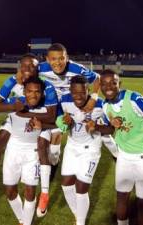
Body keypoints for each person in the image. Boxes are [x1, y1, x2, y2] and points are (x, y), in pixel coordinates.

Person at [35, 43, 118, 217]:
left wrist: (93, 98)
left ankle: (117, 154)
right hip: (59, 105)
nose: (58, 63)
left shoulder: (76, 69)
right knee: (53, 133)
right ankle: (51, 171)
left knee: (96, 127)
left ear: (67, 57)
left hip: (79, 101)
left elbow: (97, 79)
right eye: (53, 59)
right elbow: (25, 78)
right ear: (47, 59)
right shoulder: (40, 68)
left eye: (61, 58)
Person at [0, 54, 58, 204]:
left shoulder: (46, 86)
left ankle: (44, 193)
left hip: (39, 120)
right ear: (20, 67)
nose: (27, 69)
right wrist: (14, 108)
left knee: (43, 148)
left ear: (38, 69)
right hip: (16, 119)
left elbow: (52, 116)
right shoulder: (12, 81)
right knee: (0, 141)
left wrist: (24, 113)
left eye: (32, 66)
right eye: (24, 66)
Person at [100, 69, 143, 225]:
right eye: (104, 84)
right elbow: (110, 129)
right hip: (124, 157)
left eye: (113, 82)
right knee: (121, 197)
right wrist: (95, 127)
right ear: (100, 86)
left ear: (120, 84)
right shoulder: (105, 106)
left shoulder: (134, 98)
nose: (109, 87)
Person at [56, 76, 114, 225]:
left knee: (81, 188)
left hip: (91, 149)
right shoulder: (64, 101)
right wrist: (65, 122)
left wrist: (97, 127)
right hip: (72, 146)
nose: (79, 96)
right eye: (75, 93)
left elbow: (111, 128)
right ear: (70, 91)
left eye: (82, 92)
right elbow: (58, 121)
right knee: (66, 185)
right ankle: (78, 215)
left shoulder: (101, 105)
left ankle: (80, 222)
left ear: (88, 90)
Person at [2, 76, 55, 225]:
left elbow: (59, 125)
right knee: (10, 192)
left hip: (32, 152)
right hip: (13, 150)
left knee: (30, 192)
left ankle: (26, 222)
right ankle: (22, 219)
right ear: (24, 91)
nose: (33, 95)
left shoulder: (48, 109)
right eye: (30, 91)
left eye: (37, 91)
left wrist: (43, 126)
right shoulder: (15, 103)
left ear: (42, 93)